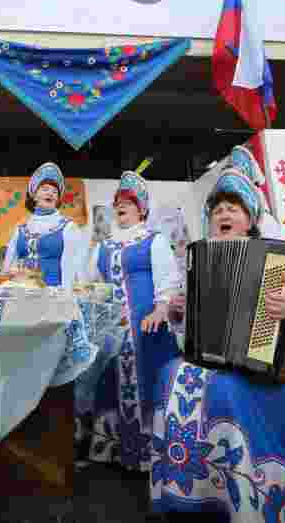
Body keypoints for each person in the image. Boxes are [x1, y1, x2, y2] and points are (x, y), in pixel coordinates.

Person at [150, 168, 285, 522]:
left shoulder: (281, 258)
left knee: (227, 388)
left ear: (250, 219)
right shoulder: (200, 261)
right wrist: (177, 313)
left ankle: (249, 497)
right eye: (217, 209)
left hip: (268, 366)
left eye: (233, 207)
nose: (224, 213)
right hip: (215, 360)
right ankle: (194, 490)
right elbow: (189, 333)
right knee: (169, 373)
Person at [78, 171, 183, 472]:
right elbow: (90, 284)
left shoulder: (154, 241)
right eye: (118, 202)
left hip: (146, 328)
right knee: (109, 382)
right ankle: (113, 449)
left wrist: (160, 310)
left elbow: (167, 280)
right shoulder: (103, 246)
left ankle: (150, 454)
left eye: (129, 201)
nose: (121, 205)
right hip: (111, 333)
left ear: (142, 210)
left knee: (148, 382)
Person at [2, 162, 86, 290]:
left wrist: (65, 296)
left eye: (55, 192)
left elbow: (72, 266)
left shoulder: (68, 227)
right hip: (21, 293)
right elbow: (9, 266)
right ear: (34, 195)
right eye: (45, 189)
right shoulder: (21, 229)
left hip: (52, 293)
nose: (51, 193)